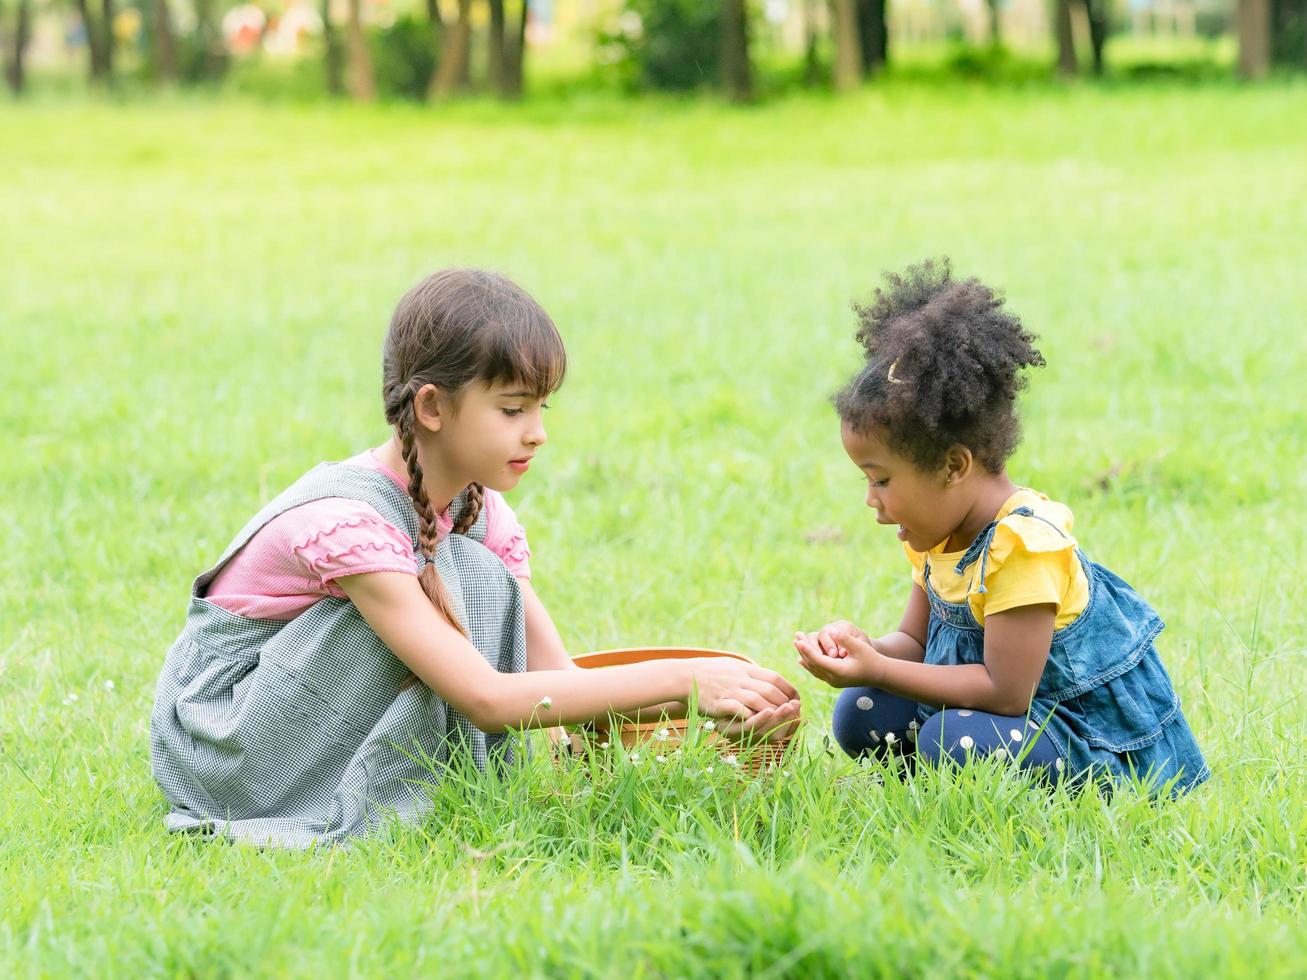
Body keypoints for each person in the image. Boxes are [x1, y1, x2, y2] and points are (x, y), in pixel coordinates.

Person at [151, 268, 800, 846]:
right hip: (230, 753)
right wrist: (683, 679)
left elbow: (559, 679)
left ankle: (435, 790)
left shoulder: (476, 510)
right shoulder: (348, 523)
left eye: (541, 408)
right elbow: (487, 699)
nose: (537, 432)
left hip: (301, 729)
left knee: (469, 569)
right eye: (512, 409)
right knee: (464, 575)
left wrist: (721, 700)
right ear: (431, 406)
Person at [794, 260, 1206, 794]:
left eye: (882, 480)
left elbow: (1006, 692)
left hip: (1078, 736)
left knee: (950, 738)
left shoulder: (1023, 546)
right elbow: (913, 644)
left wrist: (879, 667)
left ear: (953, 465)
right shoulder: (938, 539)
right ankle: (942, 791)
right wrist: (864, 650)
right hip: (1004, 721)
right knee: (862, 711)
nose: (871, 501)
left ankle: (1056, 789)